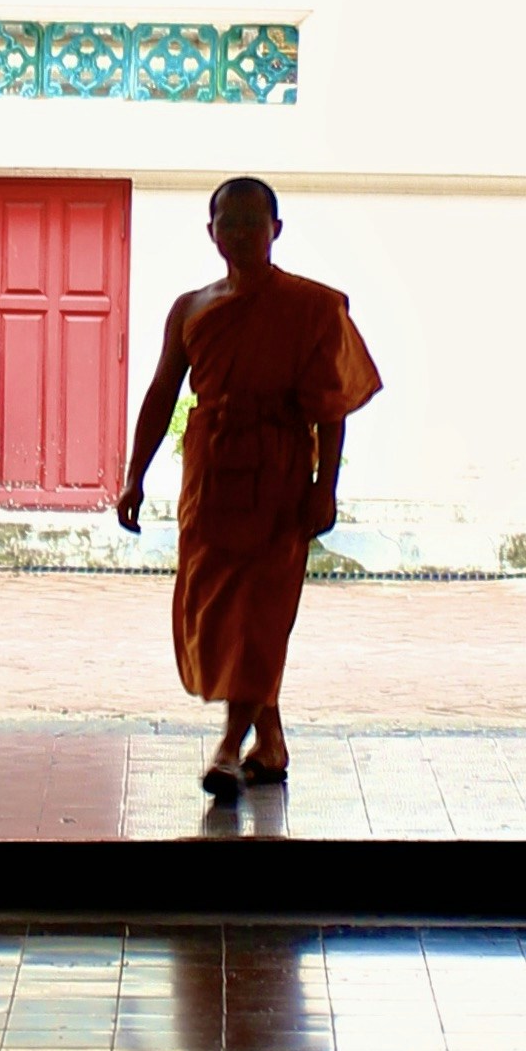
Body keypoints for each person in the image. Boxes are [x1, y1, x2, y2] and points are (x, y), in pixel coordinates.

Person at [116, 177, 382, 798]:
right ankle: (273, 740)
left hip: (281, 472)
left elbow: (331, 406)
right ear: (211, 233)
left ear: (276, 231)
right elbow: (162, 392)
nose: (239, 234)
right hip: (209, 474)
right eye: (227, 224)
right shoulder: (191, 307)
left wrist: (325, 486)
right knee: (212, 613)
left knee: (258, 618)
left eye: (251, 223)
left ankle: (229, 748)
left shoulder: (311, 307)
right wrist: (135, 474)